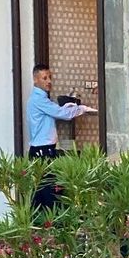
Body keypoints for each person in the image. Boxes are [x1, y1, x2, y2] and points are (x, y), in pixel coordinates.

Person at [26, 65, 94, 208]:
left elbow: (57, 111)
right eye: (44, 78)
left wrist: (68, 108)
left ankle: (36, 221)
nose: (49, 81)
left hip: (42, 150)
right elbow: (61, 114)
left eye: (50, 77)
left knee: (41, 194)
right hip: (42, 152)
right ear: (35, 79)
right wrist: (81, 109)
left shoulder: (41, 99)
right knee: (50, 194)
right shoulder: (39, 100)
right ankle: (50, 220)